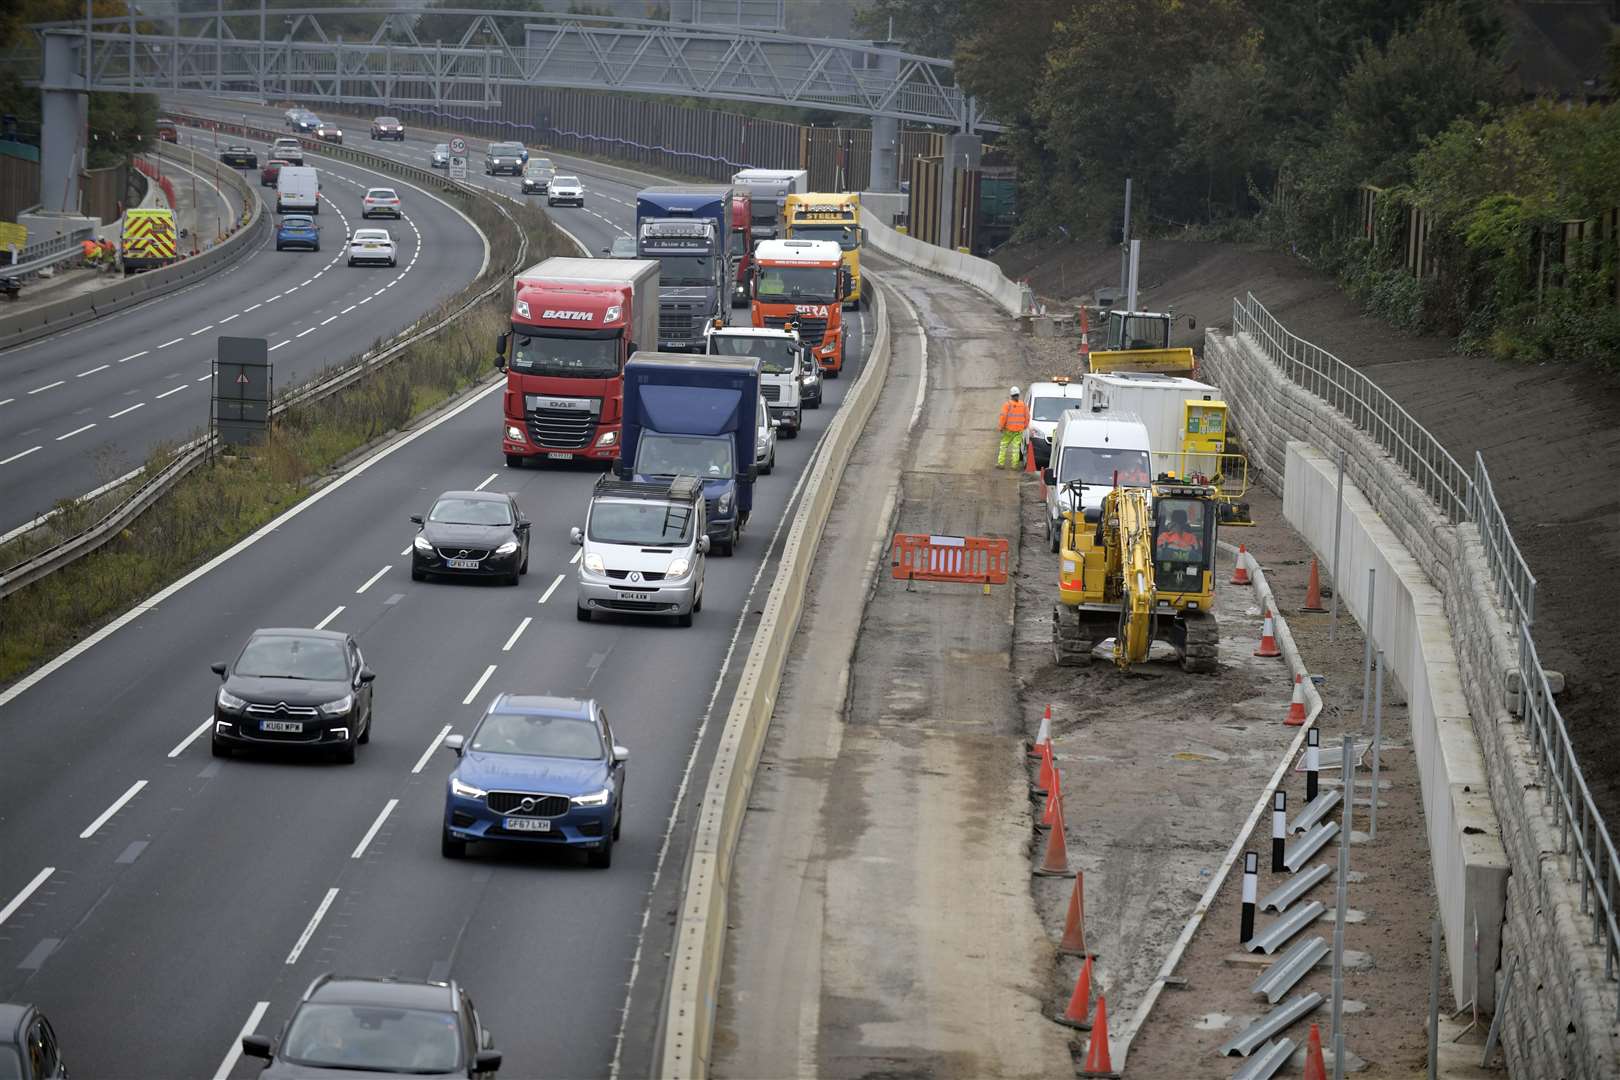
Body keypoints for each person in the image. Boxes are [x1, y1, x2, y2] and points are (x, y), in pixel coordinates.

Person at [996, 386, 1029, 469]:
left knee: (1003, 446)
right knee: (1016, 448)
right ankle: (1014, 465)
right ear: (1018, 394)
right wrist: (1025, 426)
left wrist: (1001, 427)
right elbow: (1027, 416)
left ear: (1011, 395)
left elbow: (1003, 417)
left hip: (1008, 430)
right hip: (1019, 431)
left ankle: (1001, 463)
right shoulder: (1023, 405)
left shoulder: (1007, 405)